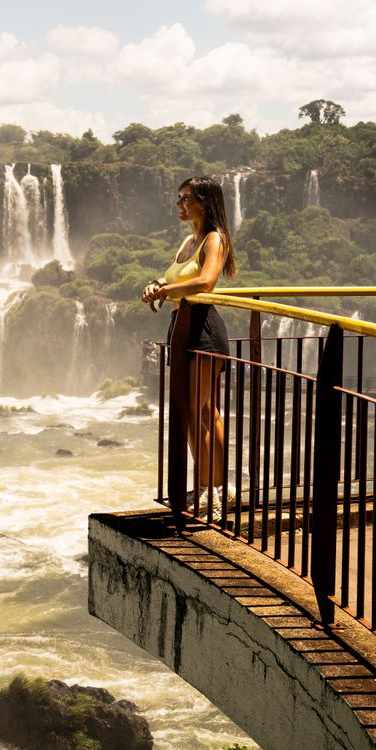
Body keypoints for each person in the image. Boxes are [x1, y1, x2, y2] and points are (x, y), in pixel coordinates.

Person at [142, 176, 237, 511]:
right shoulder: (187, 241)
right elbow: (174, 278)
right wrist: (156, 284)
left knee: (203, 412)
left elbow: (207, 282)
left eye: (185, 198)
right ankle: (206, 486)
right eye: (179, 198)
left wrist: (166, 291)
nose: (178, 204)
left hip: (203, 329)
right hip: (181, 326)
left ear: (204, 203)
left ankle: (216, 488)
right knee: (194, 413)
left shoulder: (214, 239)